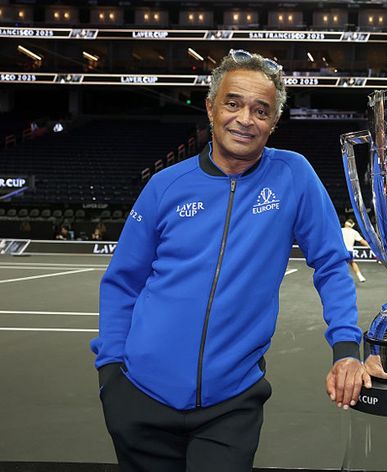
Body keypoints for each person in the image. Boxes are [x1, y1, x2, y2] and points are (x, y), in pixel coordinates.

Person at [90, 49, 370, 472]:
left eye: (261, 110)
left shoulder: (294, 175)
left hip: (231, 404)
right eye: (233, 103)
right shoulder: (166, 186)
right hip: (139, 398)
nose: (245, 119)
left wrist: (347, 348)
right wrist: (111, 373)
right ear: (211, 106)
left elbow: (332, 263)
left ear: (273, 123)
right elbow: (122, 282)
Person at [341, 218, 369, 283]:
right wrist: (371, 247)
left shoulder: (340, 230)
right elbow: (362, 241)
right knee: (352, 263)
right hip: (350, 251)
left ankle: (343, 279)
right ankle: (360, 276)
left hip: (342, 251)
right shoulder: (354, 232)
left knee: (341, 265)